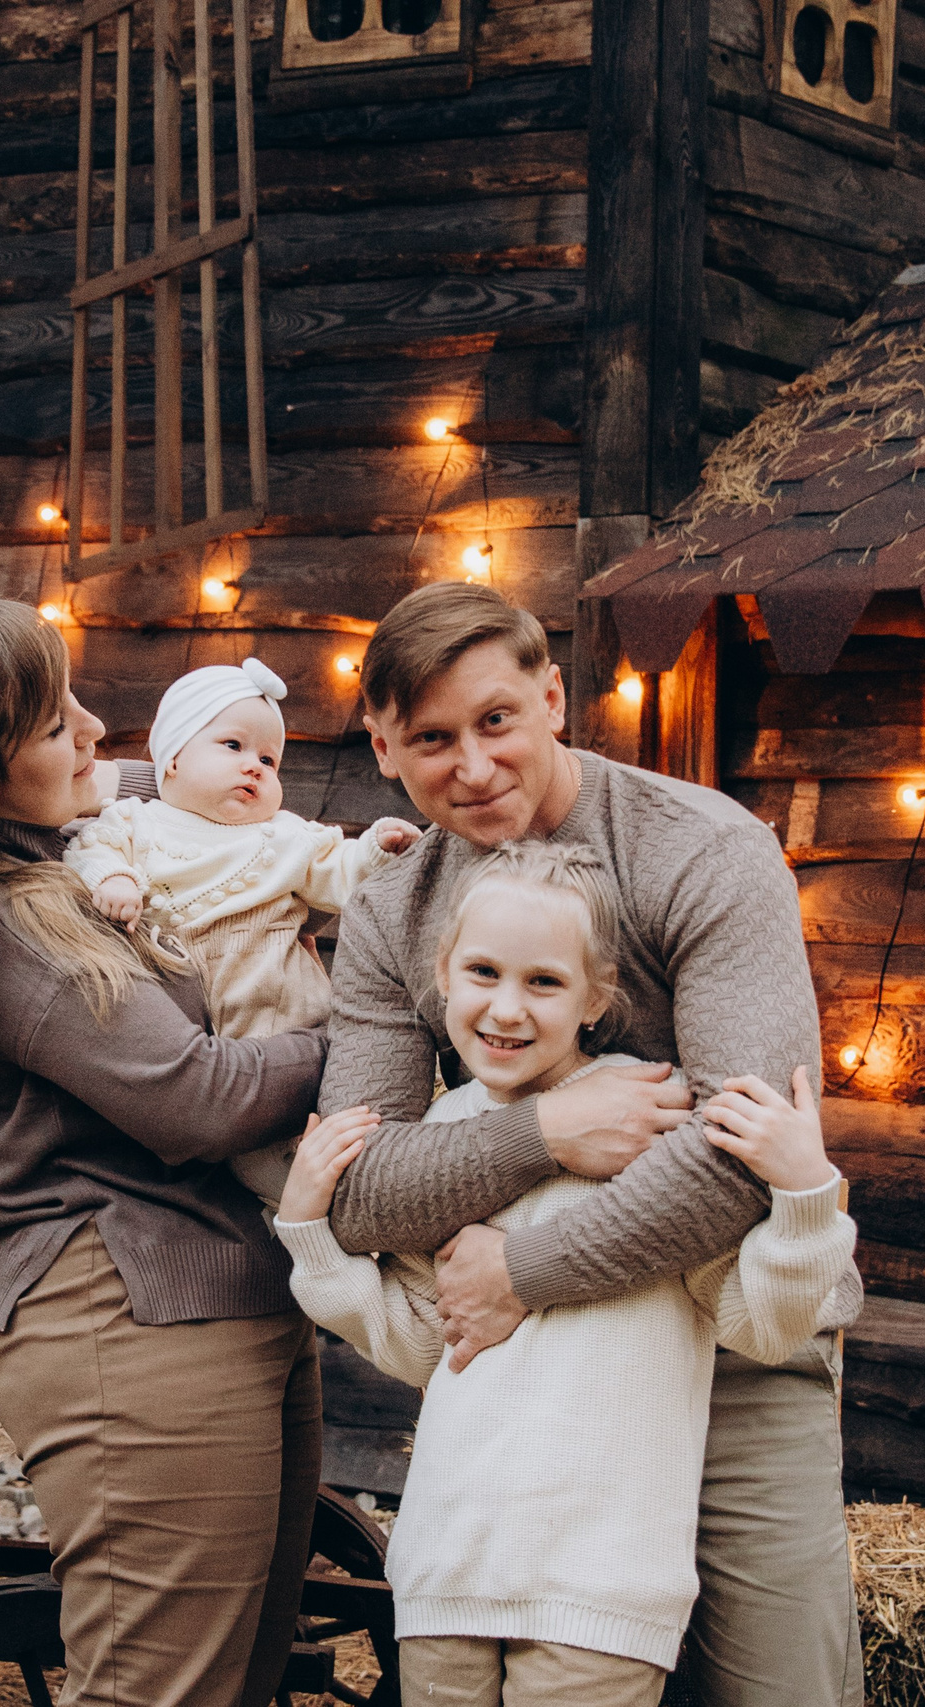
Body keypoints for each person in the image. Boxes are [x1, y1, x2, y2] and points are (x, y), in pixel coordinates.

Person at [318, 580, 865, 1707]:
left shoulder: (701, 851)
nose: (470, 767)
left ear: (553, 697)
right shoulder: (387, 913)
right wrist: (542, 1132)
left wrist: (522, 1269)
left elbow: (740, 1150)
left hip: (731, 1334)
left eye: (495, 721)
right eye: (430, 739)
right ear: (383, 747)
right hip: (535, 1386)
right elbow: (363, 1191)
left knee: (779, 1685)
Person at [0, 598, 333, 1707]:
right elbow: (195, 1097)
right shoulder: (9, 928)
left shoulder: (69, 849)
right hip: (132, 1326)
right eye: (56, 726)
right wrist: (364, 1033)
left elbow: (158, 778)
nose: (97, 731)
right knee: (160, 1690)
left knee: (238, 1684)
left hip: (226, 1305)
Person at [65, 655, 416, 1201]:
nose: (255, 766)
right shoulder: (134, 821)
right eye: (233, 746)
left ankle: (360, 1226)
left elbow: (338, 872)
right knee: (259, 1182)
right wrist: (113, 878)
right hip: (200, 1059)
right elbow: (90, 849)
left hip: (291, 1028)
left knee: (333, 1163)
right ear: (173, 759)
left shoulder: (283, 836)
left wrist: (375, 849)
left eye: (270, 760)